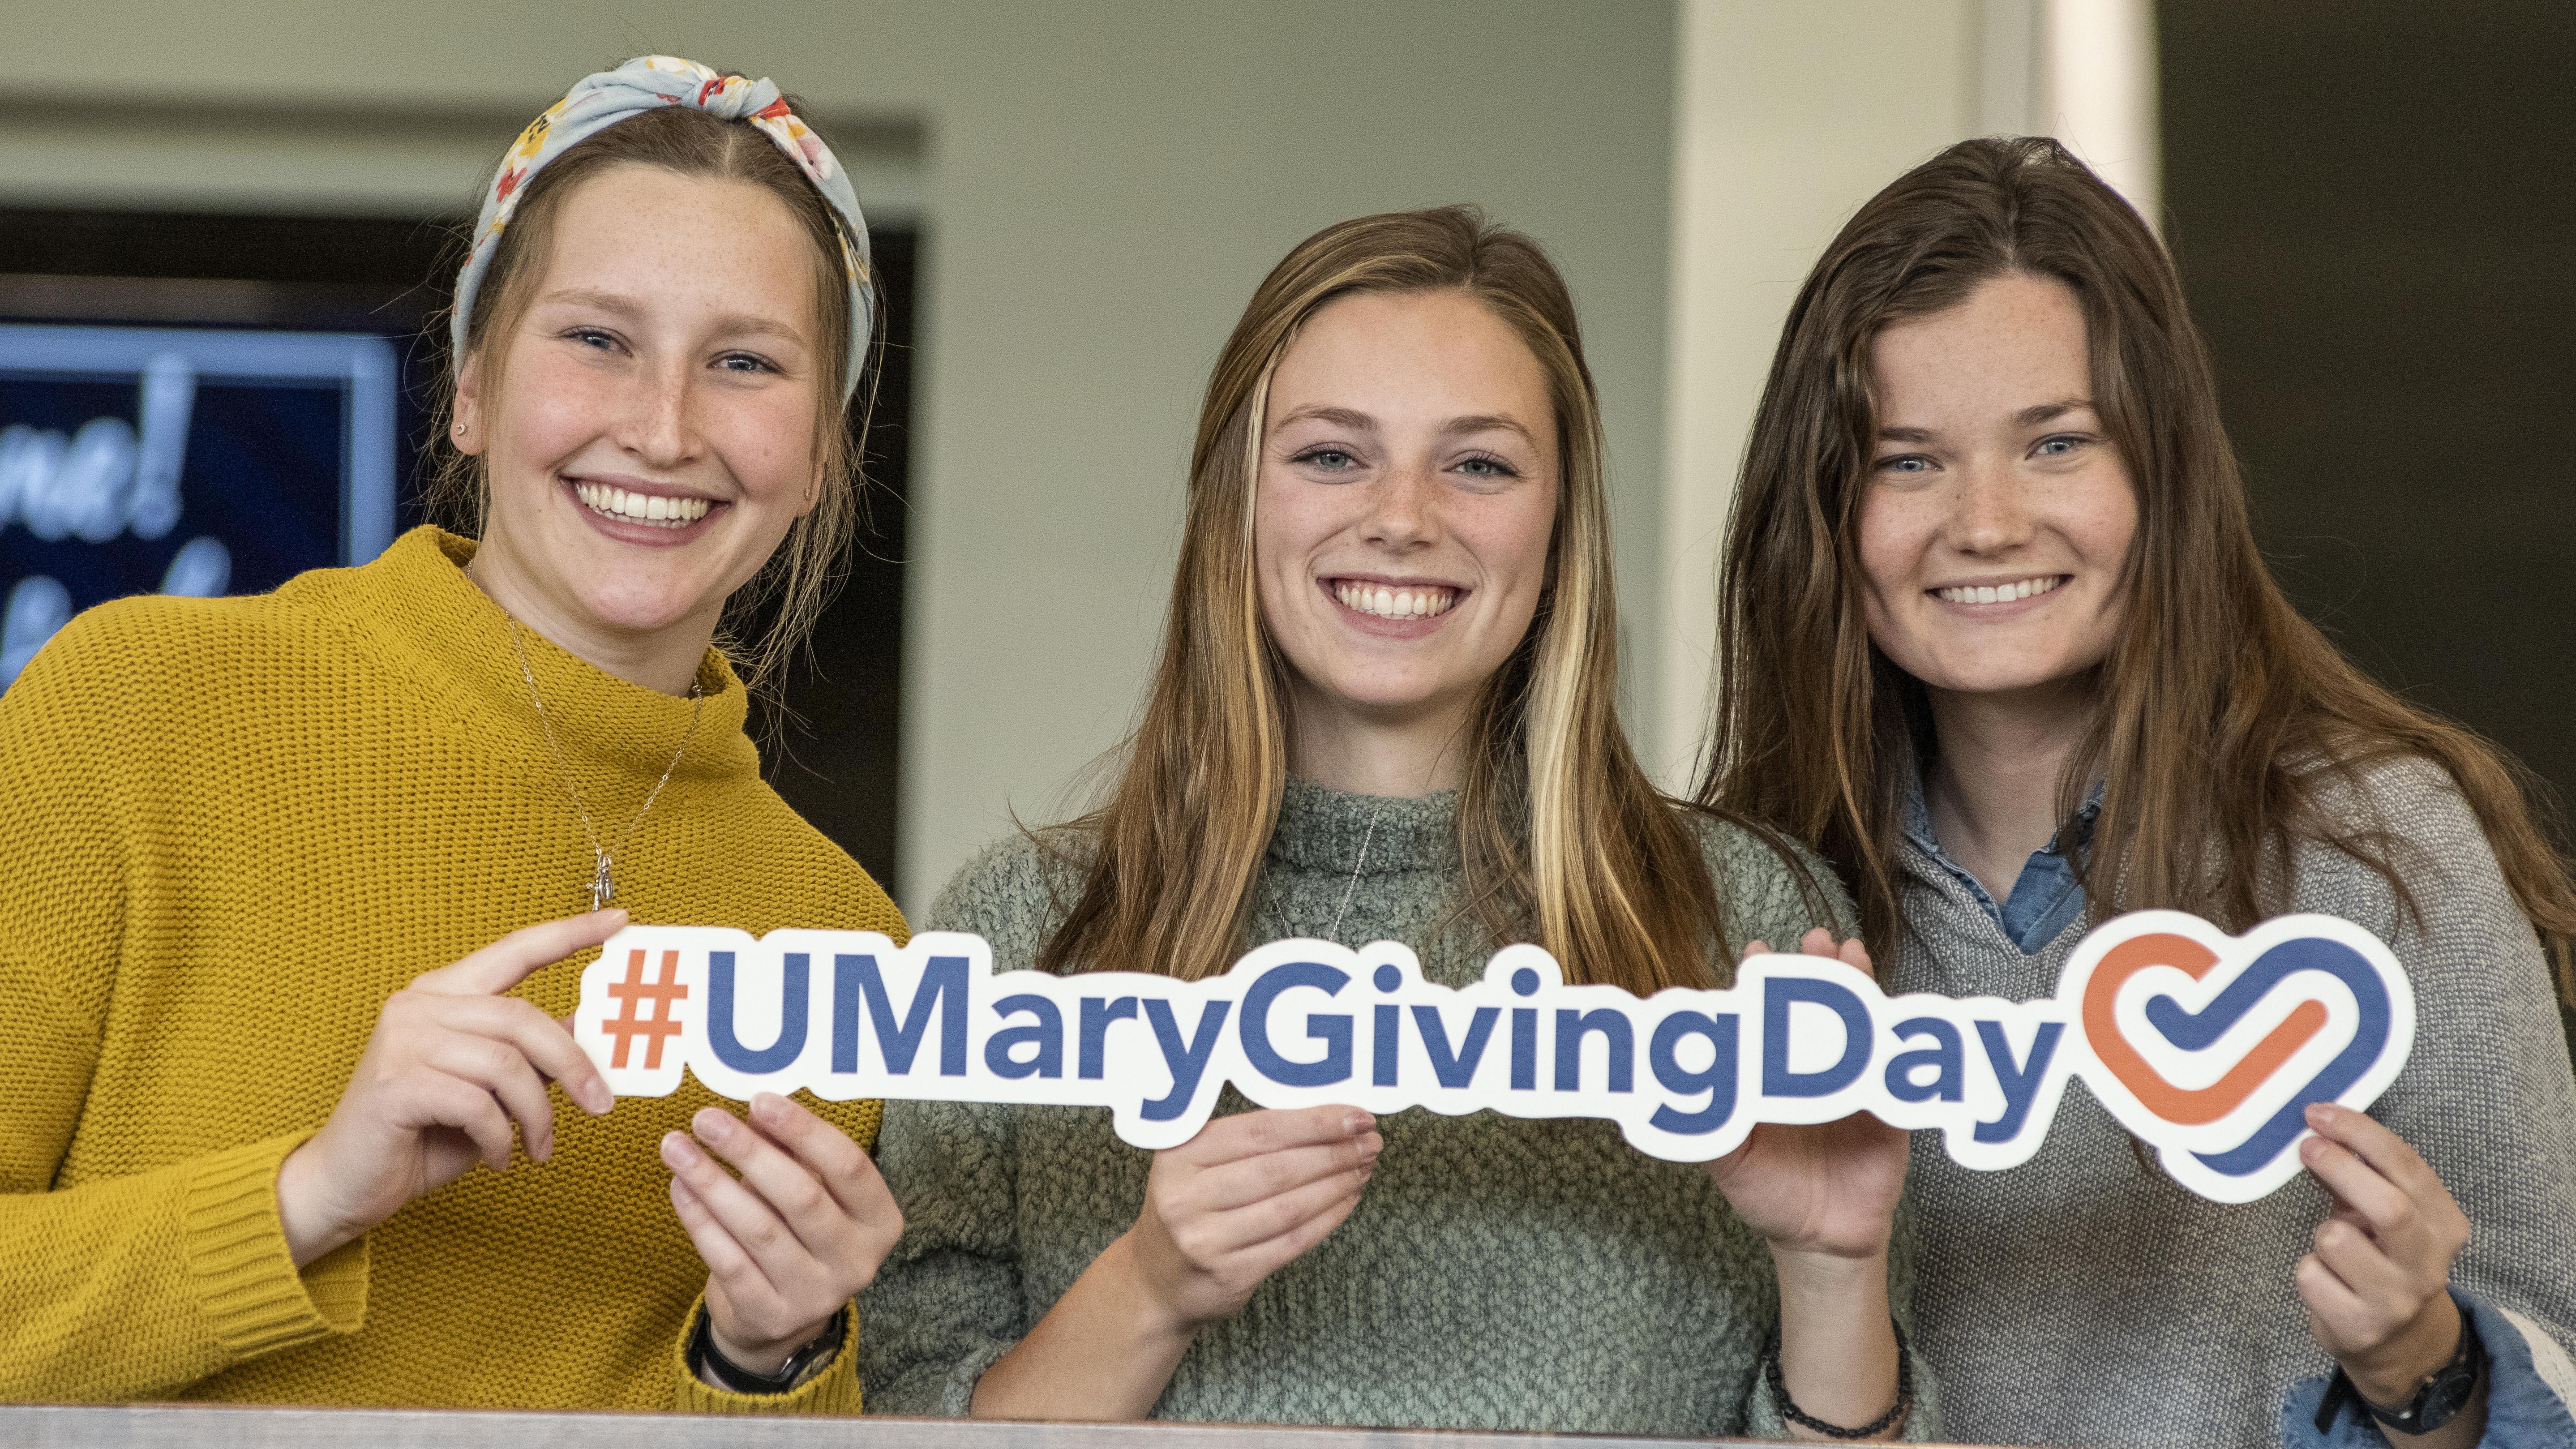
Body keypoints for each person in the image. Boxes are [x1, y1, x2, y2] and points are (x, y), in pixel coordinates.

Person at [861, 206, 1937, 1440]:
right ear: (1234, 498)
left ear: (1559, 523)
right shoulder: (1016, 932)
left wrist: (1831, 1268)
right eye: (1331, 455)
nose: (1401, 516)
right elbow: (889, 1411)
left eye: (1478, 463)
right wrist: (1148, 1287)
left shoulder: (1745, 920)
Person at [0, 57, 907, 1412]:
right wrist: (307, 1194)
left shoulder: (842, 942)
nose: (662, 429)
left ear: (823, 450)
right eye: (598, 338)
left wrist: (764, 1360)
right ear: (472, 389)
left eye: (745, 363)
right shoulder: (135, 704)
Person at [1698, 136, 2576, 1448]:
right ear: (1820, 509)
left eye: (2055, 443)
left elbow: (2554, 1362)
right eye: (1905, 460)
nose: (1984, 522)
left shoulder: (2382, 850)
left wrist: (2424, 1363)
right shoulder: (1746, 908)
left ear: (2164, 476)